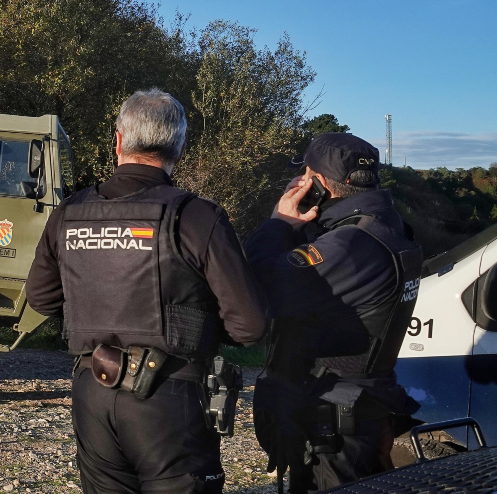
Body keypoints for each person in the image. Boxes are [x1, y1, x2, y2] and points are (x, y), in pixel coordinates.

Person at [27, 88, 268, 494]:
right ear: (180, 146)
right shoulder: (196, 217)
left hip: (93, 392)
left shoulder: (69, 212)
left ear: (118, 141)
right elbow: (250, 325)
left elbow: (42, 298)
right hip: (170, 396)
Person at [245, 133, 422, 493]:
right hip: (359, 408)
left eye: (305, 175)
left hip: (333, 421)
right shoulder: (386, 227)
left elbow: (258, 286)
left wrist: (279, 223)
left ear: (320, 184)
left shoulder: (349, 244)